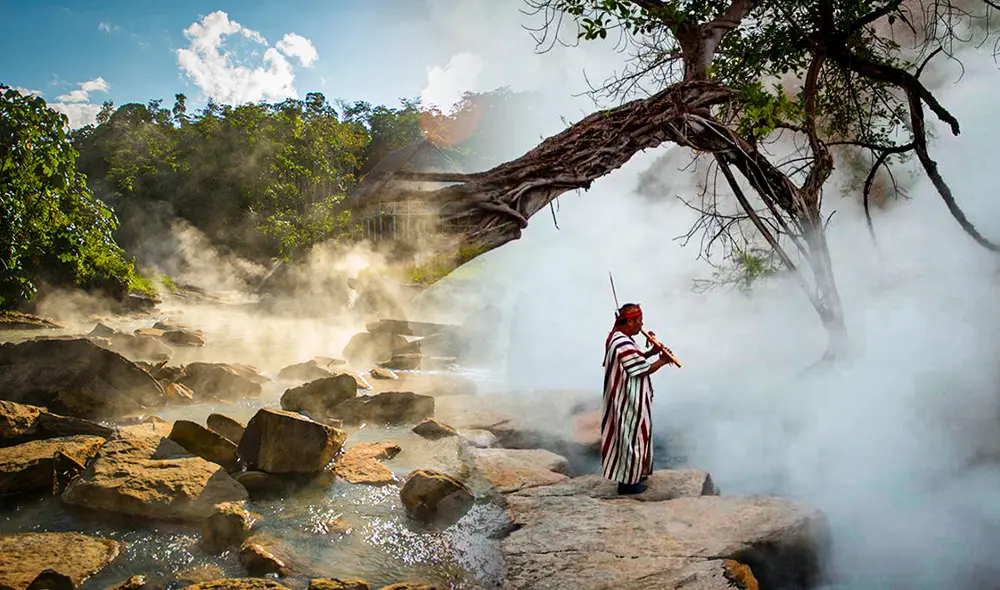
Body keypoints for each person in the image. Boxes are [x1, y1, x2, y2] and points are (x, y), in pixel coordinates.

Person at [601, 302, 673, 495]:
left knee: (636, 435)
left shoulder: (621, 338)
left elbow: (638, 358)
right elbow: (641, 369)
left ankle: (635, 474)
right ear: (630, 321)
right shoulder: (622, 342)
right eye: (639, 321)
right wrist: (662, 361)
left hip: (631, 397)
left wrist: (651, 352)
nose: (642, 325)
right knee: (631, 437)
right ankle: (628, 483)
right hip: (627, 400)